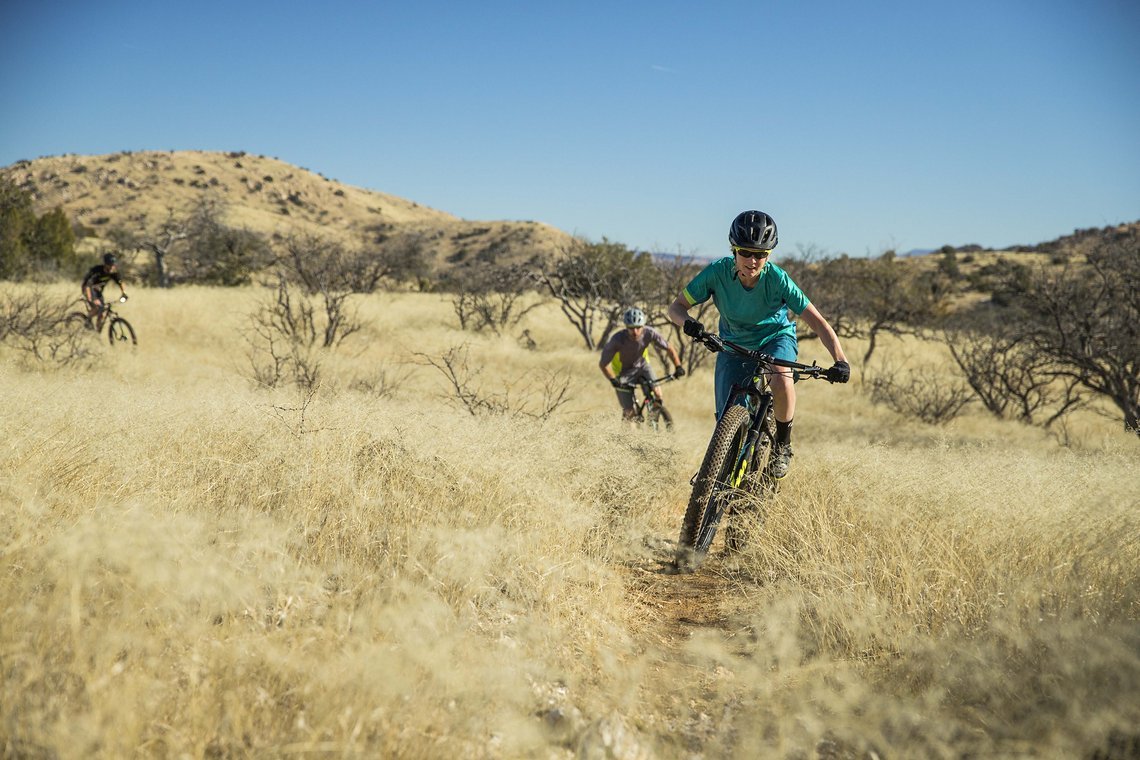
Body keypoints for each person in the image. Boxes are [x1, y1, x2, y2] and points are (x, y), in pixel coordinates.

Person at [667, 210, 850, 478]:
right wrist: (689, 324)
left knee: (781, 379)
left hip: (775, 338)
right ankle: (722, 479)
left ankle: (782, 445)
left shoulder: (777, 279)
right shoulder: (717, 273)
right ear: (734, 250)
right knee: (725, 423)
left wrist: (840, 359)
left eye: (761, 254)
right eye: (746, 252)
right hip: (733, 345)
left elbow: (819, 323)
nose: (753, 261)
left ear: (769, 254)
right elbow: (676, 308)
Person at [600, 307, 686, 426]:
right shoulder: (617, 340)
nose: (635, 331)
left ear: (643, 326)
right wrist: (613, 379)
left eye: (638, 327)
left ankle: (654, 417)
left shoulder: (649, 333)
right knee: (629, 412)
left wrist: (678, 366)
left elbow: (669, 348)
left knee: (658, 394)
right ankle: (627, 438)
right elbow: (603, 364)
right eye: (631, 328)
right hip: (624, 371)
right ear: (626, 327)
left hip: (643, 366)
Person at [82, 252, 128, 331]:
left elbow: (120, 282)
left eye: (113, 265)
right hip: (88, 289)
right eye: (109, 265)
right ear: (105, 264)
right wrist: (91, 298)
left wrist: (124, 293)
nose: (111, 267)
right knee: (97, 307)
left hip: (98, 292)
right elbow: (87, 285)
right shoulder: (96, 271)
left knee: (102, 313)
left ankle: (96, 333)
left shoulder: (113, 272)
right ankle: (87, 319)